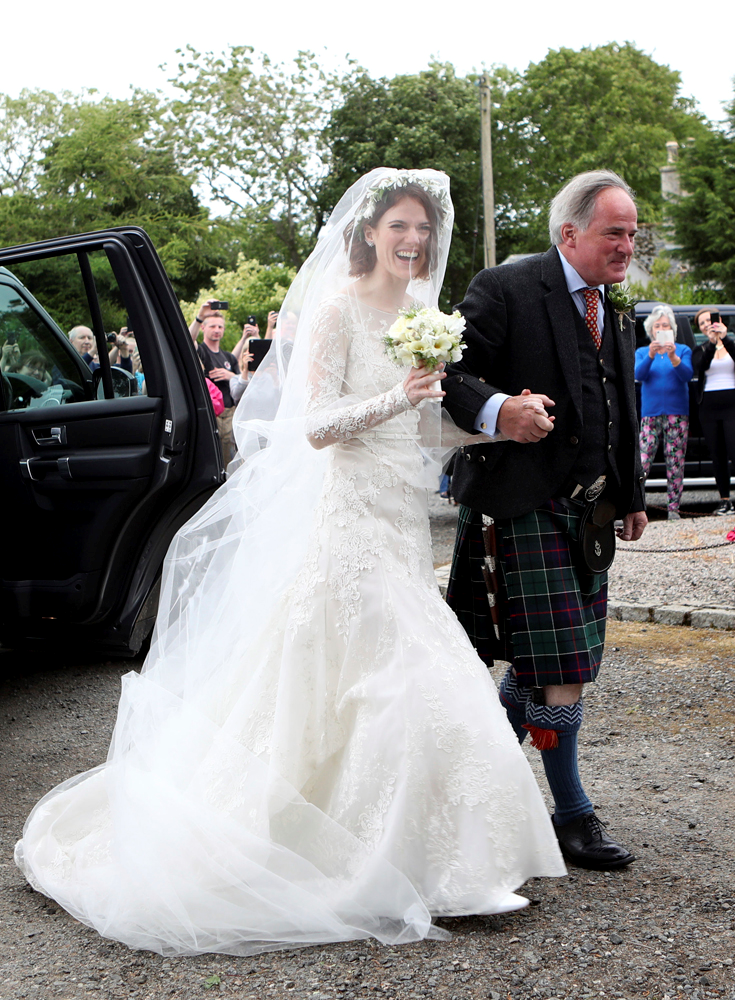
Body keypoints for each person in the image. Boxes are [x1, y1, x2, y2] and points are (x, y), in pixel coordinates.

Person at [15, 168, 565, 958]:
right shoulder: (338, 308)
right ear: (370, 232)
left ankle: (436, 857)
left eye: (423, 230)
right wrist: (400, 396)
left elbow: (419, 431)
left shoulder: (421, 315)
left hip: (399, 520)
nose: (413, 241)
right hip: (344, 520)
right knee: (404, 671)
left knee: (398, 673)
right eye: (399, 227)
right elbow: (310, 427)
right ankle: (385, 863)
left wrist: (493, 430)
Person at [444, 169, 648, 872]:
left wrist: (631, 492)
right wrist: (499, 410)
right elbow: (450, 375)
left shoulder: (613, 307)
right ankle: (571, 815)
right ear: (570, 233)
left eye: (630, 232)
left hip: (588, 513)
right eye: (612, 232)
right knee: (561, 670)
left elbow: (620, 405)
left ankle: (471, 795)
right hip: (519, 502)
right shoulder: (505, 286)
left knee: (545, 667)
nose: (626, 244)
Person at [635, 304, 694, 519]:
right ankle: (636, 507)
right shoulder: (642, 351)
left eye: (665, 325)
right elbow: (638, 375)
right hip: (650, 414)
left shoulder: (682, 350)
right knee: (642, 461)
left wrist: (673, 357)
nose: (661, 328)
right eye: (658, 325)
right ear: (651, 330)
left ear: (672, 329)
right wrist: (651, 355)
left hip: (677, 413)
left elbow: (686, 375)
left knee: (675, 461)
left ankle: (673, 509)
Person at [692, 308, 735, 515]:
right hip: (708, 407)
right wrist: (711, 343)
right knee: (717, 455)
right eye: (702, 323)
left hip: (732, 405)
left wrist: (725, 339)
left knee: (734, 449)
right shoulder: (700, 349)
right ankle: (724, 500)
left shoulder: (731, 344)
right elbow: (700, 366)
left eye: (710, 320)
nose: (707, 324)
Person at [196, 314, 241, 465]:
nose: (217, 330)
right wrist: (199, 317)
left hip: (230, 414)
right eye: (212, 326)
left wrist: (231, 376)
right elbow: (188, 340)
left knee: (230, 460)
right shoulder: (201, 352)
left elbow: (243, 382)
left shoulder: (228, 357)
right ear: (203, 328)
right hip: (211, 414)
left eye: (220, 326)